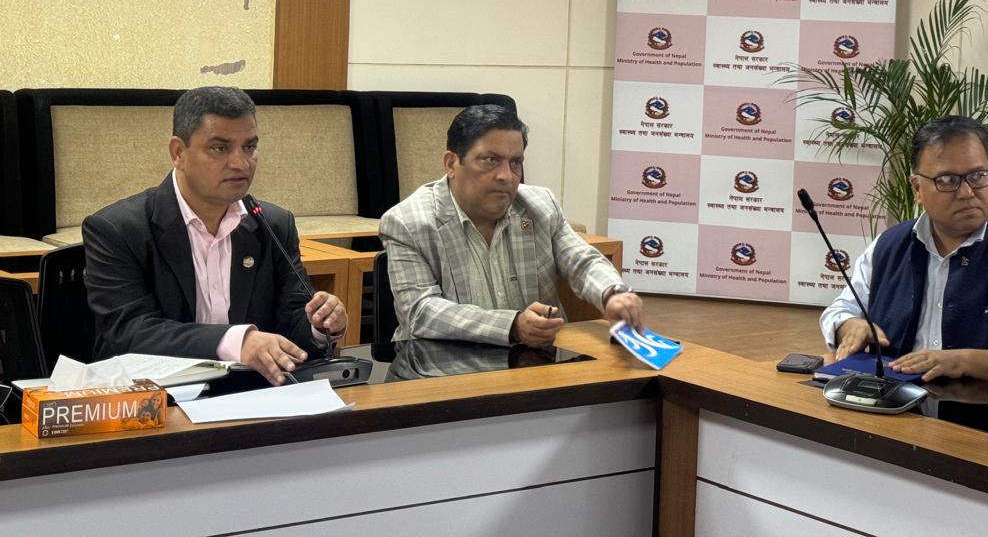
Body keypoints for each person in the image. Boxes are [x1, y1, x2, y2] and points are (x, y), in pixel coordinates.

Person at [83, 86, 347, 385]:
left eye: (249, 147)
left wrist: (320, 326)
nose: (241, 163)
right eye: (220, 148)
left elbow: (291, 322)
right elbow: (128, 334)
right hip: (158, 398)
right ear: (178, 152)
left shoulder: (273, 224)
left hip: (249, 394)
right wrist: (237, 341)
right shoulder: (118, 229)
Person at [819, 116, 988, 382]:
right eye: (948, 180)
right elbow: (840, 309)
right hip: (891, 401)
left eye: (978, 176)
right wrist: (849, 325)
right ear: (917, 188)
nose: (967, 192)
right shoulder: (888, 246)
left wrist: (965, 361)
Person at [380, 104, 644, 353]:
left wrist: (612, 293)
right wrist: (512, 326)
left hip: (533, 361)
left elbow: (582, 262)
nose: (506, 176)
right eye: (490, 160)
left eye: (515, 162)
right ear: (451, 163)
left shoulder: (540, 205)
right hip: (442, 366)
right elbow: (420, 312)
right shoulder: (407, 222)